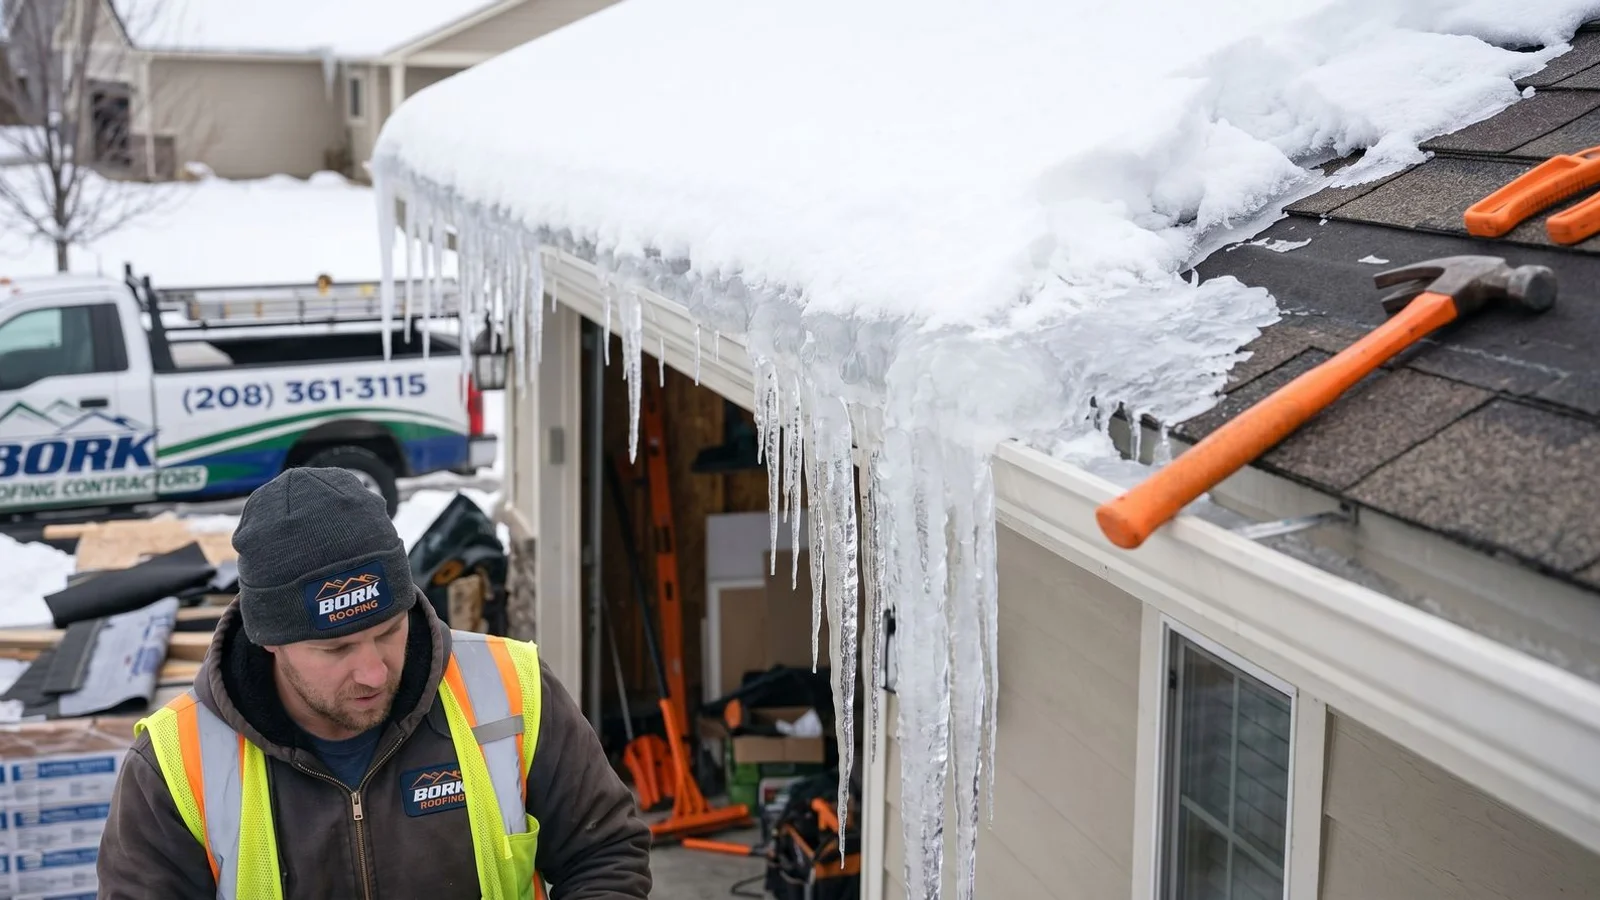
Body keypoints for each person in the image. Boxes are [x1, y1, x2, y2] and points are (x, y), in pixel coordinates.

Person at [97, 467, 652, 899]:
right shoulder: (176, 766)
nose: (374, 672)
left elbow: (604, 854)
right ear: (269, 639)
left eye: (388, 630)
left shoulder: (510, 690)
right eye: (335, 648)